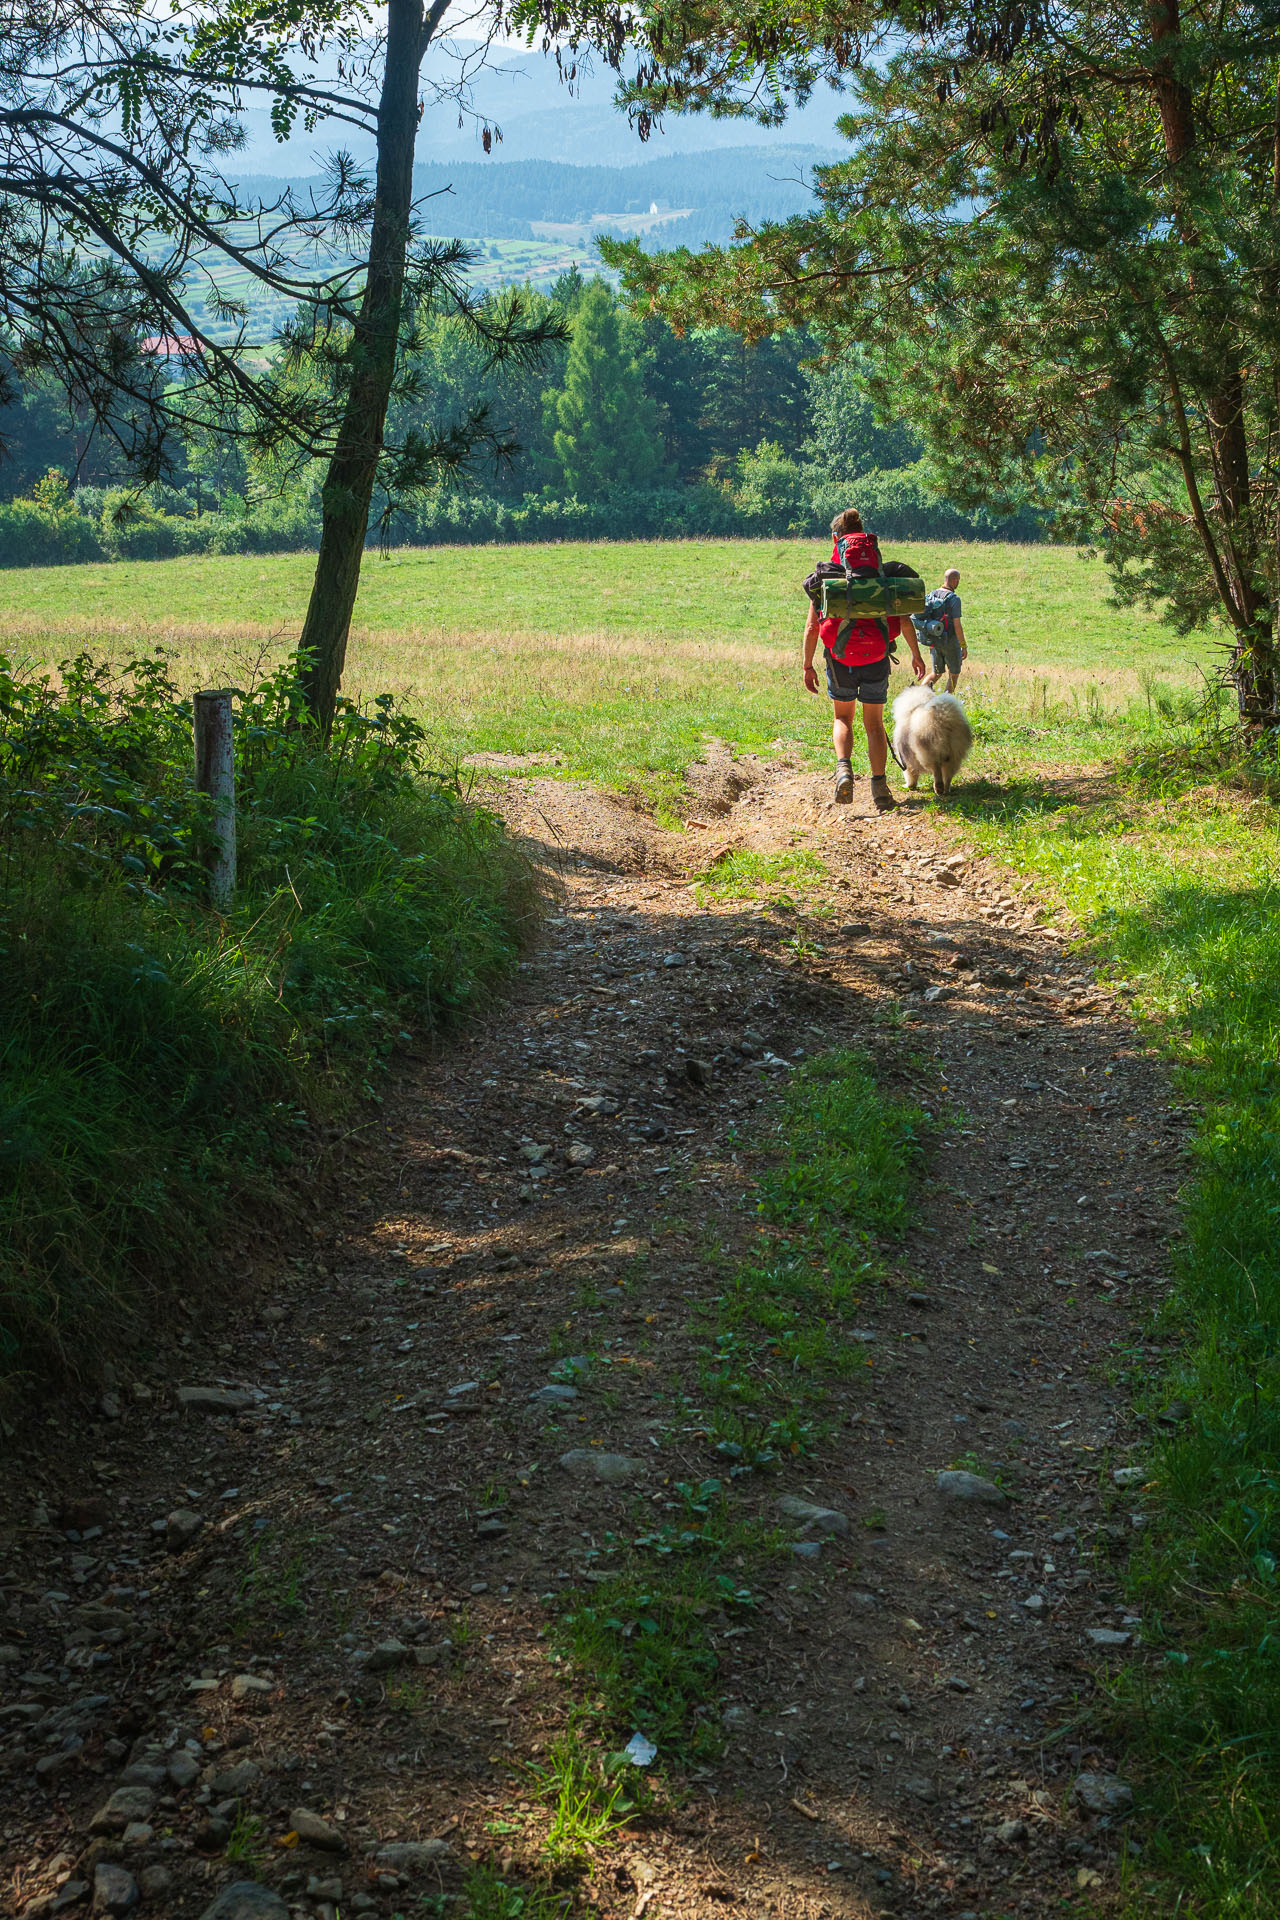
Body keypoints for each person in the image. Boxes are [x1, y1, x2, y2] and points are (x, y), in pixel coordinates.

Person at [802, 507, 926, 813]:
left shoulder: (827, 577)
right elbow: (905, 620)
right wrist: (916, 654)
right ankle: (880, 788)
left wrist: (807, 665)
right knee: (873, 724)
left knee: (843, 718)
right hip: (877, 657)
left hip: (840, 657)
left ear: (837, 539)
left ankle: (843, 770)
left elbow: (812, 627)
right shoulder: (885, 577)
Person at [915, 568, 968, 691]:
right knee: (954, 674)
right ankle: (945, 704)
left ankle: (917, 697)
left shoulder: (932, 594)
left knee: (936, 673)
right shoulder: (954, 599)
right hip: (950, 641)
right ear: (954, 580)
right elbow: (957, 625)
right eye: (958, 580)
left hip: (933, 640)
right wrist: (963, 645)